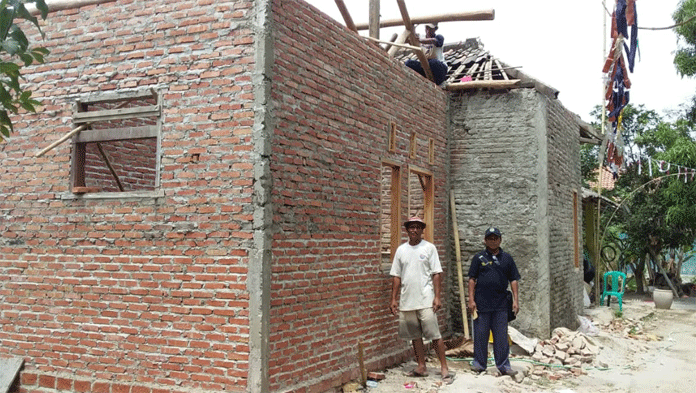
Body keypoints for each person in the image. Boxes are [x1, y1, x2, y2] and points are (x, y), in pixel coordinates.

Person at [390, 216, 454, 384]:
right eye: (412, 227)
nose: (415, 230)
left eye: (418, 227)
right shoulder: (401, 250)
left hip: (426, 299)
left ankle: (444, 368)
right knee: (415, 336)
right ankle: (421, 366)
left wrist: (437, 297)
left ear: (422, 230)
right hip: (407, 301)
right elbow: (396, 276)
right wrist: (394, 299)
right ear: (407, 229)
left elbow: (437, 273)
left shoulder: (429, 248)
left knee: (435, 335)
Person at [467, 227, 521, 377]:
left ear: (500, 240)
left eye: (495, 238)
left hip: (501, 305)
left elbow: (514, 280)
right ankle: (479, 364)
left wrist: (516, 301)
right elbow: (472, 279)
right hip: (481, 305)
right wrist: (471, 300)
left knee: (501, 337)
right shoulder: (479, 258)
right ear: (485, 240)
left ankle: (504, 366)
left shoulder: (507, 258)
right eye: (490, 238)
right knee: (480, 336)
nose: (493, 241)